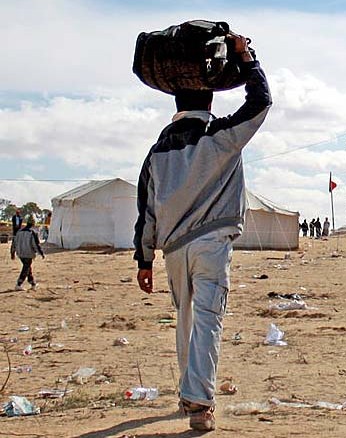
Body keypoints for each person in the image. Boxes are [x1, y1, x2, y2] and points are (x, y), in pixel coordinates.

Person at [133, 34, 271, 431]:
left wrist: (144, 260)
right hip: (211, 244)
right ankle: (199, 401)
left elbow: (147, 211)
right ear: (210, 101)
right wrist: (246, 56)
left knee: (186, 321)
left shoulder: (157, 151)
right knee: (208, 320)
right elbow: (260, 102)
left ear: (176, 105)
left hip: (173, 250)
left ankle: (187, 392)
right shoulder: (223, 137)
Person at [11, 216, 45, 291]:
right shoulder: (32, 233)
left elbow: (14, 243)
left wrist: (12, 252)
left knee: (27, 268)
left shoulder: (19, 232)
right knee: (26, 268)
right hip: (28, 253)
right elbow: (36, 244)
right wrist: (41, 253)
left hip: (20, 253)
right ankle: (19, 284)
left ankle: (32, 283)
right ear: (33, 224)